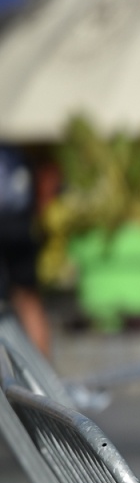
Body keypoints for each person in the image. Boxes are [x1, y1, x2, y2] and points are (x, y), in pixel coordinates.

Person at [0, 145, 51, 355]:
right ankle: (45, 373)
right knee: (27, 297)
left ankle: (43, 373)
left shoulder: (14, 150)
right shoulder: (15, 152)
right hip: (21, 226)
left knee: (27, 297)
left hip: (15, 227)